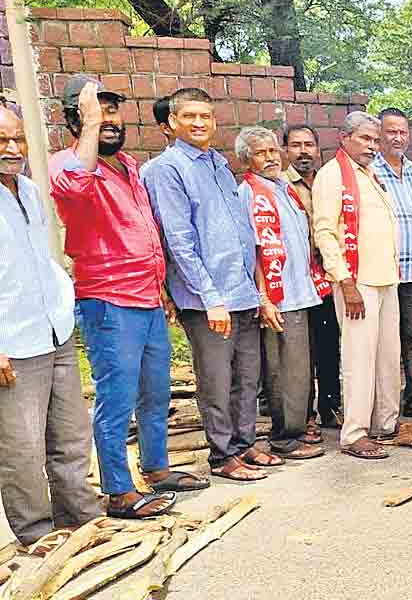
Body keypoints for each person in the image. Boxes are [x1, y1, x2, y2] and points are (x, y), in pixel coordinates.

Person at [52, 77, 206, 520]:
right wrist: (90, 127)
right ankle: (118, 490)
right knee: (116, 398)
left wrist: (162, 291)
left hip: (147, 298)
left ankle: (155, 468)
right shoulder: (68, 165)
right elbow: (76, 189)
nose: (108, 121)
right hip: (108, 301)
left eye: (113, 111)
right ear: (74, 121)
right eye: (96, 113)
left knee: (155, 393)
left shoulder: (130, 167)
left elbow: (146, 233)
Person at [144, 87, 277, 481]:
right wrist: (211, 298)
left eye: (206, 116)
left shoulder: (217, 163)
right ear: (171, 123)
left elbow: (241, 231)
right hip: (208, 300)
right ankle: (222, 456)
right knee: (216, 381)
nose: (200, 123)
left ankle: (245, 443)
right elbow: (179, 241)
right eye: (190, 116)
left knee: (247, 376)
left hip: (241, 292)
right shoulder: (165, 170)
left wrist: (258, 292)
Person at [0, 105, 102, 543]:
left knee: (71, 435)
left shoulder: (28, 189)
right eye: (2, 139)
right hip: (13, 341)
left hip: (54, 329)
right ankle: (37, 533)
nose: (12, 148)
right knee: (21, 447)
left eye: (18, 139)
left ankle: (81, 517)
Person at [313, 112, 402, 461]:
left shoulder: (369, 174)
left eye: (375, 140)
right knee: (359, 359)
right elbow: (324, 232)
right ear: (344, 137)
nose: (372, 146)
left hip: (385, 278)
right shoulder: (332, 175)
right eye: (366, 139)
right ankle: (354, 433)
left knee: (386, 357)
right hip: (356, 282)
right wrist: (344, 281)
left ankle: (385, 424)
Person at [235, 128, 327, 462]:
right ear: (247, 158)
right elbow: (255, 249)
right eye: (262, 152)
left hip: (300, 292)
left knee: (299, 369)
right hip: (277, 297)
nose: (272, 157)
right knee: (282, 370)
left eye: (274, 150)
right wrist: (264, 297)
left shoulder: (283, 189)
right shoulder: (249, 193)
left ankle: (297, 430)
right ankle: (285, 437)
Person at [372, 108, 412, 419]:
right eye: (391, 131)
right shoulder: (369, 171)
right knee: (383, 343)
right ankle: (382, 406)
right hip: (383, 272)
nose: (397, 137)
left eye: (402, 132)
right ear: (379, 135)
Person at [283, 123, 342, 430]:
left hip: (327, 276)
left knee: (328, 344)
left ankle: (330, 407)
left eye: (309, 145)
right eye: (296, 145)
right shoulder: (281, 186)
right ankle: (303, 416)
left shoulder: (327, 181)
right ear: (286, 151)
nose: (303, 151)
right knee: (298, 352)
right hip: (295, 279)